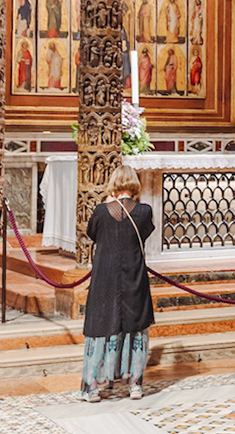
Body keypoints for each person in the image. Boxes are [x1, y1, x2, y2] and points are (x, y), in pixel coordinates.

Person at [80, 165, 155, 402]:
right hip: (133, 275)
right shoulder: (144, 211)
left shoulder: (101, 211)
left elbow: (92, 233)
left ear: (113, 184)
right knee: (135, 326)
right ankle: (135, 385)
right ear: (133, 184)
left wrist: (110, 202)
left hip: (105, 277)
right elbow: (144, 233)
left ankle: (92, 386)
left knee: (100, 326)